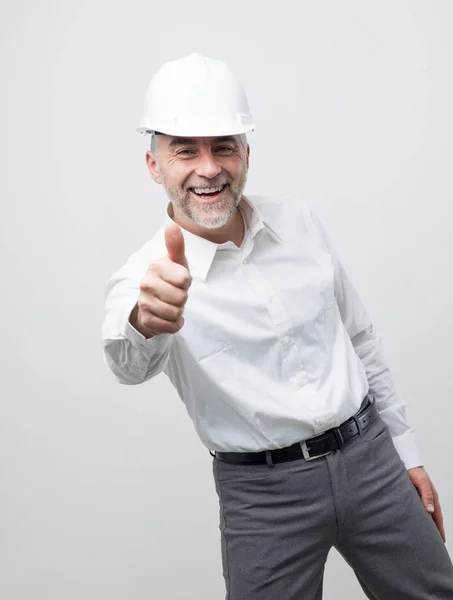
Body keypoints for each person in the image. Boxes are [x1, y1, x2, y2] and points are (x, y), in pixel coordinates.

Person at [102, 53, 453, 599]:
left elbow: (358, 336)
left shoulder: (299, 221)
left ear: (246, 153)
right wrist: (145, 322)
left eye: (223, 146)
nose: (209, 168)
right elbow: (127, 362)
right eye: (184, 151)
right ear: (154, 165)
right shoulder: (147, 277)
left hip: (371, 459)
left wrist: (406, 453)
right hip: (263, 496)